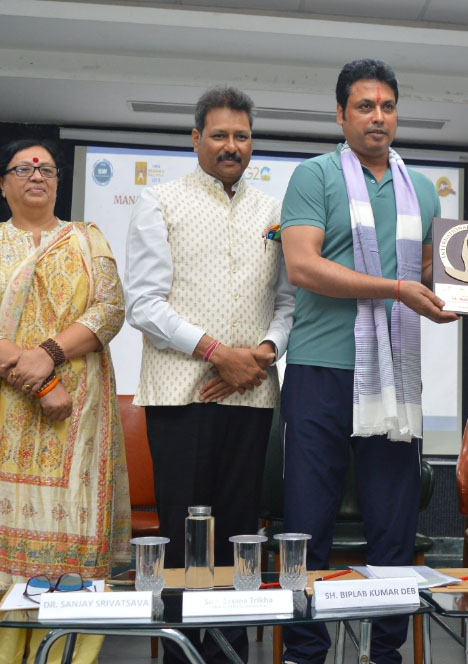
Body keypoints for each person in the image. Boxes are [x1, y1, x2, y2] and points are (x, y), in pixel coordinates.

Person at [278, 58, 457, 664]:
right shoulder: (314, 175)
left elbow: (424, 270)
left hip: (395, 375)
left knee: (392, 527)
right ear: (341, 114)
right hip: (321, 368)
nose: (377, 117)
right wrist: (398, 289)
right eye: (364, 106)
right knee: (307, 524)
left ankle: (385, 652)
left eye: (387, 106)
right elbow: (303, 266)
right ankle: (305, 652)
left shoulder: (422, 188)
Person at [0, 138, 130, 663]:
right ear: (2, 184)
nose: (37, 175)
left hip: (75, 423)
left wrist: (48, 354)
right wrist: (43, 383)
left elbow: (109, 310)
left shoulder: (88, 239)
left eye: (46, 168)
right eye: (23, 169)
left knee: (70, 544)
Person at [125, 85, 293, 664]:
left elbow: (287, 302)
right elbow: (143, 305)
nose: (231, 146)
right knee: (182, 533)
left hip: (252, 395)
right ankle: (182, 655)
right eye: (219, 135)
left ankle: (229, 655)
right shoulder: (160, 201)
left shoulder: (273, 211)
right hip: (181, 394)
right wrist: (219, 352)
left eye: (242, 136)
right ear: (196, 139)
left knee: (240, 530)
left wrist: (262, 354)